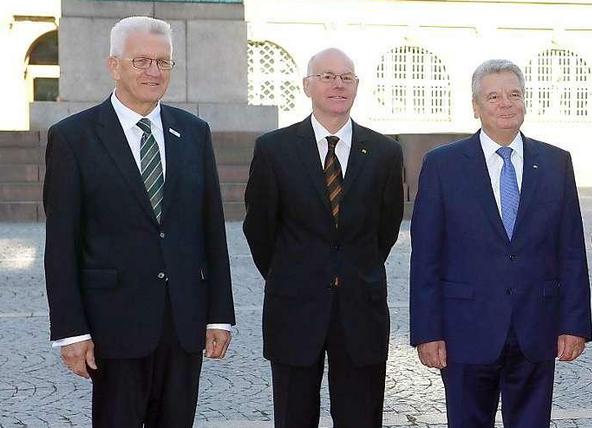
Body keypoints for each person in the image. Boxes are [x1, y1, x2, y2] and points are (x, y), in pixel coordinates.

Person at [43, 16, 235, 427]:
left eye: (163, 63)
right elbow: (61, 244)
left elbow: (212, 231)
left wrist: (219, 315)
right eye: (141, 61)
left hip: (183, 322)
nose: (154, 72)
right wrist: (71, 331)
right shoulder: (73, 138)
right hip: (114, 324)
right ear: (114, 66)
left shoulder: (194, 133)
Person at [409, 59, 592, 427]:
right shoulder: (442, 165)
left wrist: (574, 323)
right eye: (493, 96)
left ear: (525, 102)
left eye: (514, 94)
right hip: (465, 329)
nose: (505, 103)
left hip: (536, 326)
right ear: (476, 107)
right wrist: (428, 332)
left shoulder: (556, 162)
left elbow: (570, 249)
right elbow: (426, 256)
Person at [242, 47, 404, 427]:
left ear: (357, 87)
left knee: (361, 417)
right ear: (307, 85)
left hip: (361, 309)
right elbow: (260, 228)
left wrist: (350, 269)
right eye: (328, 76)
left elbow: (386, 228)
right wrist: (294, 273)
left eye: (346, 77)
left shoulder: (385, 152)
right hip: (294, 308)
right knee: (294, 416)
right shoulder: (274, 149)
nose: (338, 84)